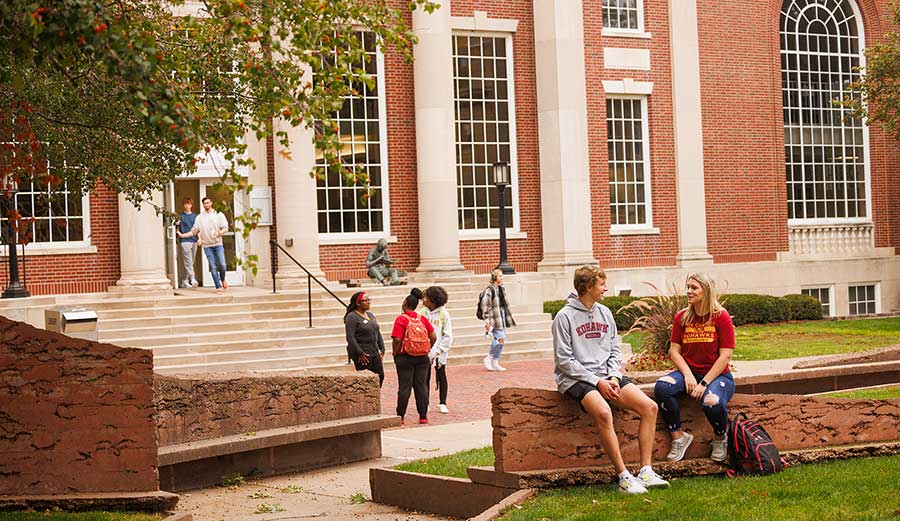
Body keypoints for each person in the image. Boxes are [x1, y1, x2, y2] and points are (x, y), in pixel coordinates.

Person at [553, 265, 668, 494]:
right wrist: (597, 382)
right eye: (601, 284)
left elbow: (615, 350)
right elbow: (565, 361)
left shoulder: (605, 313)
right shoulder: (564, 317)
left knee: (649, 407)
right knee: (604, 413)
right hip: (576, 378)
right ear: (587, 287)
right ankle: (624, 477)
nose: (605, 288)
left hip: (608, 376)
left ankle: (645, 471)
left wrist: (614, 376)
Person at [653, 273, 735, 463]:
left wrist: (704, 382)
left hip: (718, 377)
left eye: (694, 288)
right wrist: (689, 376)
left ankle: (720, 437)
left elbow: (726, 356)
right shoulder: (682, 317)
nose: (688, 291)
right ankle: (679, 438)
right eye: (688, 287)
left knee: (712, 401)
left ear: (706, 291)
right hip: (689, 374)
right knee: (662, 387)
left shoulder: (721, 317)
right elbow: (674, 352)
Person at [391, 288, 437, 425]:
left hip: (405, 356)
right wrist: (427, 349)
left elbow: (397, 339)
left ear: (405, 303)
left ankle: (401, 417)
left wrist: (395, 353)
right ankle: (423, 416)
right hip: (422, 357)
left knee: (405, 387)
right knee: (421, 386)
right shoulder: (422, 318)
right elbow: (433, 336)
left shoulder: (401, 319)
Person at [179, 196, 229, 294]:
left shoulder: (218, 214)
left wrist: (218, 233)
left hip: (218, 244)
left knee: (222, 265)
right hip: (207, 246)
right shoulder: (199, 217)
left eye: (208, 203)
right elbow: (194, 231)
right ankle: (218, 287)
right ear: (203, 205)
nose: (206, 205)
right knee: (213, 267)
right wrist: (183, 235)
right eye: (204, 203)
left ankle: (222, 279)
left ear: (211, 203)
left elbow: (225, 228)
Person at [421, 286, 452, 414]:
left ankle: (442, 402)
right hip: (425, 350)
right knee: (425, 378)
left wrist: (440, 350)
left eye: (426, 297)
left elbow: (448, 334)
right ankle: (425, 402)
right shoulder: (422, 312)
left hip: (439, 351)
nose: (423, 300)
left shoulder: (444, 313)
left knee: (441, 376)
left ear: (433, 300)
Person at [344, 291, 385, 387]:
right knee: (366, 381)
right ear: (358, 303)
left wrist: (382, 347)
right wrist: (360, 353)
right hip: (363, 354)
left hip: (374, 351)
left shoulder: (370, 315)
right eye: (365, 300)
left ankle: (375, 398)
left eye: (369, 300)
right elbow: (350, 337)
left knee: (380, 376)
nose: (368, 302)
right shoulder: (352, 317)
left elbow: (377, 331)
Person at [481, 269, 515, 371]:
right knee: (499, 339)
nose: (502, 277)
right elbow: (484, 305)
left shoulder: (501, 288)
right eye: (500, 276)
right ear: (495, 277)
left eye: (502, 276)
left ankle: (495, 362)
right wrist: (486, 320)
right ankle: (489, 357)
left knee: (502, 340)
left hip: (502, 316)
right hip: (494, 318)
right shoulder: (489, 290)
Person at [174, 197, 199, 289]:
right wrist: (178, 229)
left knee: (190, 262)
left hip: (194, 240)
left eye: (188, 204)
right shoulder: (180, 216)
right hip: (185, 241)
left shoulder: (195, 216)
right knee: (188, 261)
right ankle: (193, 279)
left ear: (191, 205)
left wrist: (199, 238)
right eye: (185, 204)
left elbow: (198, 228)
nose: (186, 205)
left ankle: (184, 280)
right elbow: (176, 227)